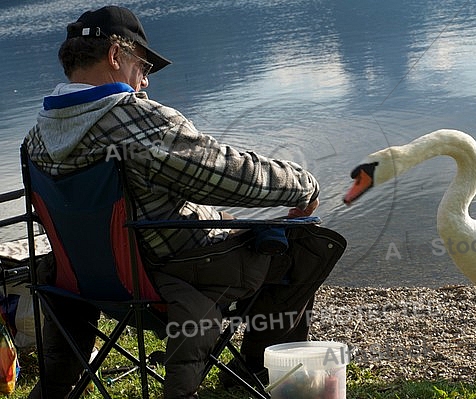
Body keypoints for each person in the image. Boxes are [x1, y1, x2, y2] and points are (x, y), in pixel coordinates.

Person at [24, 6, 345, 399]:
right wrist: (303, 186)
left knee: (238, 224)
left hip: (89, 280)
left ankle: (254, 368)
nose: (144, 83)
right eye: (142, 68)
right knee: (304, 244)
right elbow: (226, 174)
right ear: (114, 57)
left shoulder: (37, 138)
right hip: (171, 275)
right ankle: (257, 372)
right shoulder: (134, 121)